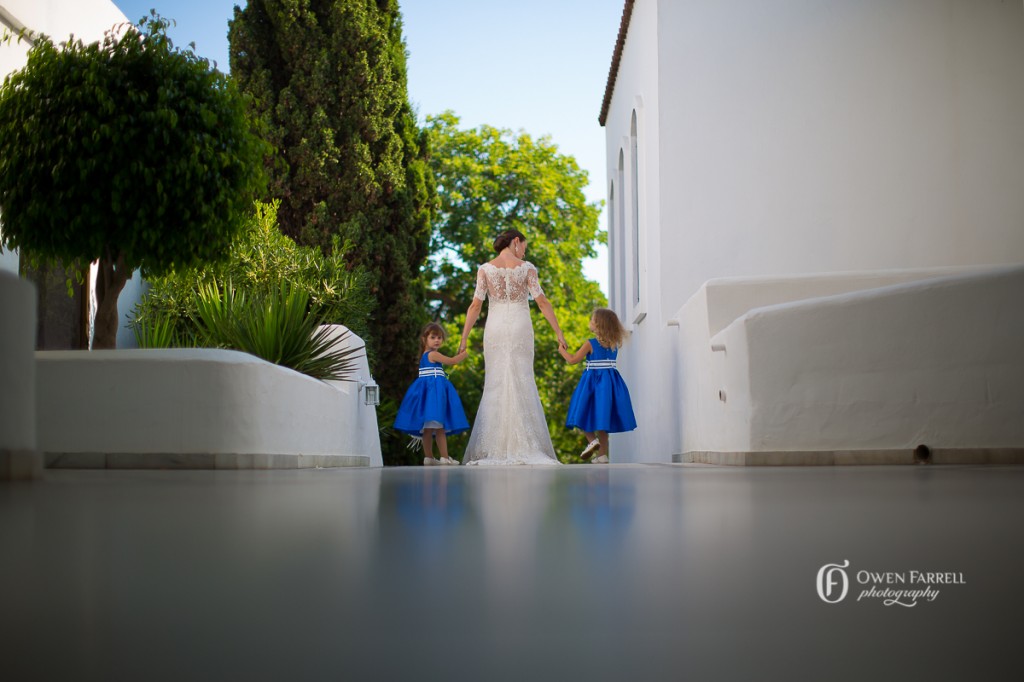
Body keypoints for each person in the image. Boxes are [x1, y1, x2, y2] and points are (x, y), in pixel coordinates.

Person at [458, 229, 567, 465]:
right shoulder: (527, 268)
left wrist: (464, 338)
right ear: (515, 241)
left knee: (496, 382)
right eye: (524, 246)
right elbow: (542, 301)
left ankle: (495, 446)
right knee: (523, 378)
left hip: (495, 327)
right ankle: (526, 444)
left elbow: (475, 306)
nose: (525, 251)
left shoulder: (485, 269)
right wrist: (558, 332)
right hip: (520, 325)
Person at [559, 307, 637, 463]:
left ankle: (592, 441)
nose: (590, 322)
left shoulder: (591, 343)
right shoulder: (615, 343)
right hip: (610, 384)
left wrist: (562, 350)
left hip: (592, 383)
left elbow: (573, 360)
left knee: (581, 412)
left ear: (598, 325)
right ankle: (602, 456)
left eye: (592, 320)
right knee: (603, 420)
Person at [394, 322, 470, 466]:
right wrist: (464, 354)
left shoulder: (424, 355)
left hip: (429, 395)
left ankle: (428, 457)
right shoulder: (433, 354)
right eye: (433, 337)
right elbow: (452, 361)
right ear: (424, 339)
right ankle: (445, 457)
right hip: (434, 396)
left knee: (428, 429)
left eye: (439, 337)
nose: (437, 340)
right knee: (439, 426)